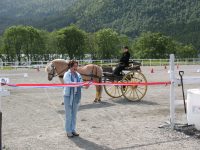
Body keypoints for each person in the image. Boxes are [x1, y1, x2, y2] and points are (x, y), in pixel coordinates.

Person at [63, 60, 87, 138]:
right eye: (74, 66)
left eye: (76, 66)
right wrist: (80, 84)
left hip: (76, 96)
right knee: (68, 115)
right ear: (70, 66)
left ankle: (73, 129)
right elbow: (68, 83)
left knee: (74, 115)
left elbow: (81, 84)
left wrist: (85, 85)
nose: (75, 68)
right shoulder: (67, 74)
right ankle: (68, 131)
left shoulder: (78, 75)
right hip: (68, 96)